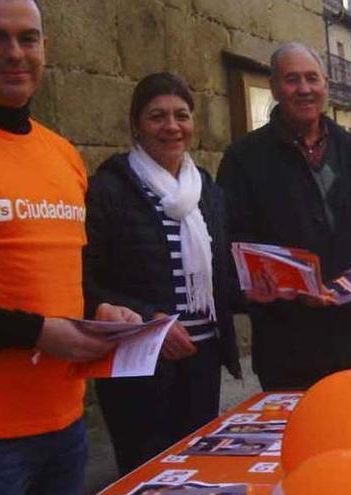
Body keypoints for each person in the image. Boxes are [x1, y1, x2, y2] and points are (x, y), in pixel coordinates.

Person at [0, 0, 140, 493]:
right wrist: (36, 332)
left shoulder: (62, 154)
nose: (14, 53)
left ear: (44, 47)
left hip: (64, 425)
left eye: (28, 38)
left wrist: (97, 308)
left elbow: (65, 274)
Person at [82, 72, 262, 474]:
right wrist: (149, 320)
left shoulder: (208, 194)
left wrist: (259, 290)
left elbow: (220, 281)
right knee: (146, 470)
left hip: (201, 360)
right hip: (137, 368)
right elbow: (86, 279)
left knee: (197, 466)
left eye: (181, 115)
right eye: (156, 116)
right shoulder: (109, 191)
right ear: (136, 125)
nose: (171, 126)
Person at [216, 42, 351, 391]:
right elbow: (231, 237)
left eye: (311, 78)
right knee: (302, 443)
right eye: (291, 80)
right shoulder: (244, 159)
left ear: (325, 85)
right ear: (274, 88)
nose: (304, 89)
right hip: (287, 347)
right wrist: (275, 284)